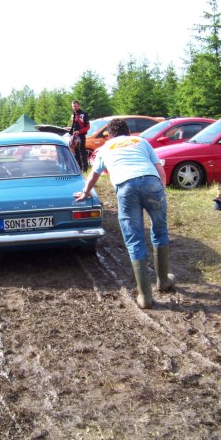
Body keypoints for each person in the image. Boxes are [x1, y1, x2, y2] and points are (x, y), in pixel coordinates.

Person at [74, 118, 175, 309]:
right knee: (160, 230)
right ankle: (163, 280)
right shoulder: (141, 142)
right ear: (128, 133)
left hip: (126, 186)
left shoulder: (106, 147)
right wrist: (160, 190)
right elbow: (160, 171)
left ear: (110, 135)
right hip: (152, 182)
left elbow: (94, 174)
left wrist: (85, 192)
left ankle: (145, 296)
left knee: (135, 238)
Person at [69, 100, 90, 173]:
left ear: (79, 106)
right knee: (76, 152)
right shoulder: (73, 115)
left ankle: (84, 169)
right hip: (74, 136)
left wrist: (79, 131)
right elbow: (72, 126)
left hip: (81, 136)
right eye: (73, 106)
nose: (74, 107)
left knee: (82, 152)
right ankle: (79, 168)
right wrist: (70, 133)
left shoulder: (84, 114)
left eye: (76, 106)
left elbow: (87, 127)